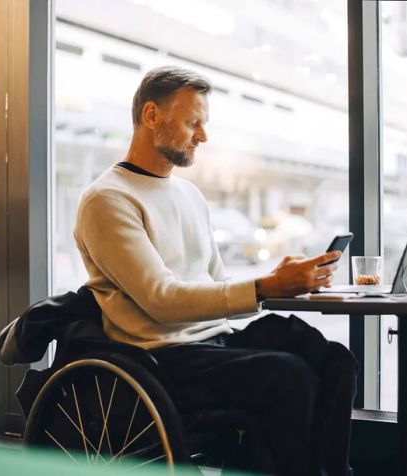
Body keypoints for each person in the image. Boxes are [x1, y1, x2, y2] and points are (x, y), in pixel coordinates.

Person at [74, 65, 358, 476]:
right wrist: (263, 286)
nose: (203, 136)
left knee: (336, 361)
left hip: (215, 340)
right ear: (152, 116)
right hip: (161, 357)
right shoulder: (107, 200)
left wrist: (282, 283)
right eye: (193, 123)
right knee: (288, 377)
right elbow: (162, 300)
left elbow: (219, 289)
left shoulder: (189, 195)